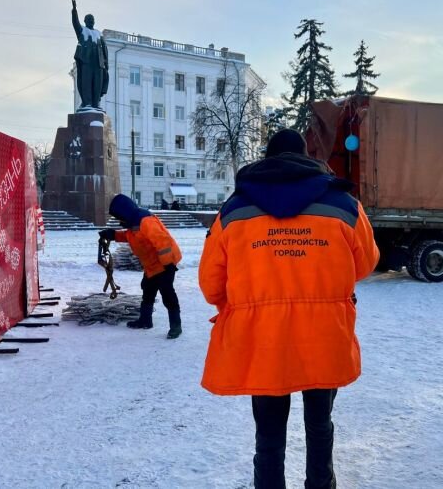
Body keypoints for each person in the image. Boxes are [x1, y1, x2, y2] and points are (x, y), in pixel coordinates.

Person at [199, 129, 379, 488]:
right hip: (325, 334)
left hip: (262, 336)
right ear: (306, 157)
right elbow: (365, 263)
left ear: (267, 157)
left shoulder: (233, 210)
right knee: (320, 425)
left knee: (268, 435)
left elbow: (210, 284)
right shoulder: (344, 205)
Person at [99, 194, 183, 338]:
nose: (119, 220)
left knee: (167, 294)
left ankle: (176, 326)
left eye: (119, 217)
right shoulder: (133, 224)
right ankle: (145, 320)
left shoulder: (145, 221)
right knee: (148, 290)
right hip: (152, 265)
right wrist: (112, 235)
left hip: (164, 264)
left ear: (124, 212)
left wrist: (168, 264)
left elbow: (162, 241)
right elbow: (129, 236)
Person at [71, 0, 109, 109]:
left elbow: (104, 49)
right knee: (86, 84)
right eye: (89, 19)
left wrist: (106, 64)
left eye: (92, 19)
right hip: (86, 62)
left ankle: (96, 103)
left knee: (97, 85)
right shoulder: (82, 31)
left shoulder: (98, 34)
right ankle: (87, 103)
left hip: (99, 64)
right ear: (85, 21)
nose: (91, 21)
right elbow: (75, 23)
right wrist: (74, 10)